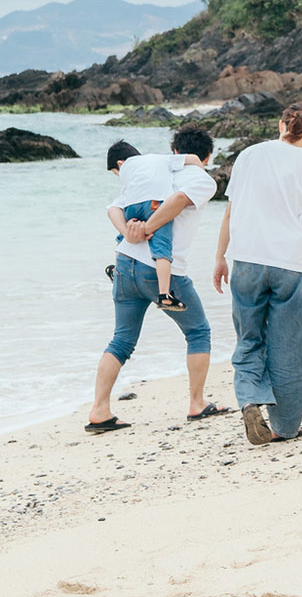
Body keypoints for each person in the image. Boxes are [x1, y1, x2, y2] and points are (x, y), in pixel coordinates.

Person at [213, 101, 302, 445]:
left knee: (249, 339)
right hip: (290, 265)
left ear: (281, 125)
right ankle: (283, 427)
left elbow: (231, 212)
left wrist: (220, 258)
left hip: (245, 260)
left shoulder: (247, 156)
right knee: (290, 346)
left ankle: (249, 399)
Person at [85, 128, 231, 433]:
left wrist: (129, 232)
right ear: (205, 157)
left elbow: (113, 207)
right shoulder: (202, 178)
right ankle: (196, 403)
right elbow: (178, 199)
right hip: (161, 269)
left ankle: (99, 410)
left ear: (173, 151)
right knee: (198, 331)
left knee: (122, 339)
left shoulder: (148, 174)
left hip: (124, 263)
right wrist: (149, 228)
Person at [108, 144, 189, 312]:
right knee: (162, 247)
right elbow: (193, 159)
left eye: (116, 173)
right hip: (156, 203)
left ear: (120, 164)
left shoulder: (128, 171)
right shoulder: (160, 158)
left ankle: (117, 270)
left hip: (131, 205)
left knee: (124, 233)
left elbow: (115, 207)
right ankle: (165, 295)